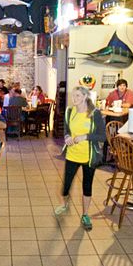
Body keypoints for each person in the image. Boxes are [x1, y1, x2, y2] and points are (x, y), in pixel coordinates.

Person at [55, 86, 106, 231]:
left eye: (77, 96)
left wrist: (86, 136)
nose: (74, 98)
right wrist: (67, 137)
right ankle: (65, 204)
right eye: (73, 96)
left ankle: (85, 214)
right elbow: (67, 129)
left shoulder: (94, 114)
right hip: (72, 155)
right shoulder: (69, 111)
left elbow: (103, 136)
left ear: (85, 97)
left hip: (89, 157)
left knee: (87, 186)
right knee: (66, 186)